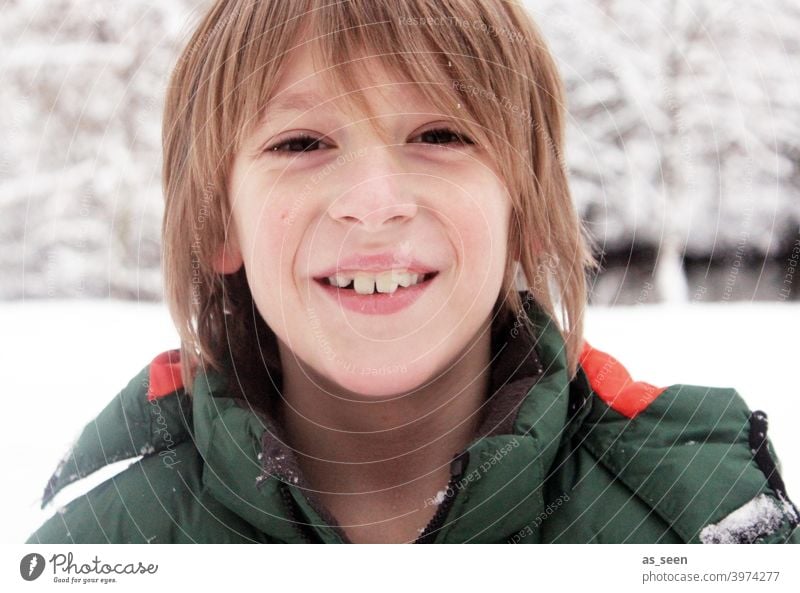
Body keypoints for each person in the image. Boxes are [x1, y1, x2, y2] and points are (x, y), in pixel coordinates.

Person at [27, 0, 798, 544]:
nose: (374, 204)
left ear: (522, 206)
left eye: (439, 133)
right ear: (220, 222)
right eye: (300, 143)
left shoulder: (707, 530)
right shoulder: (101, 549)